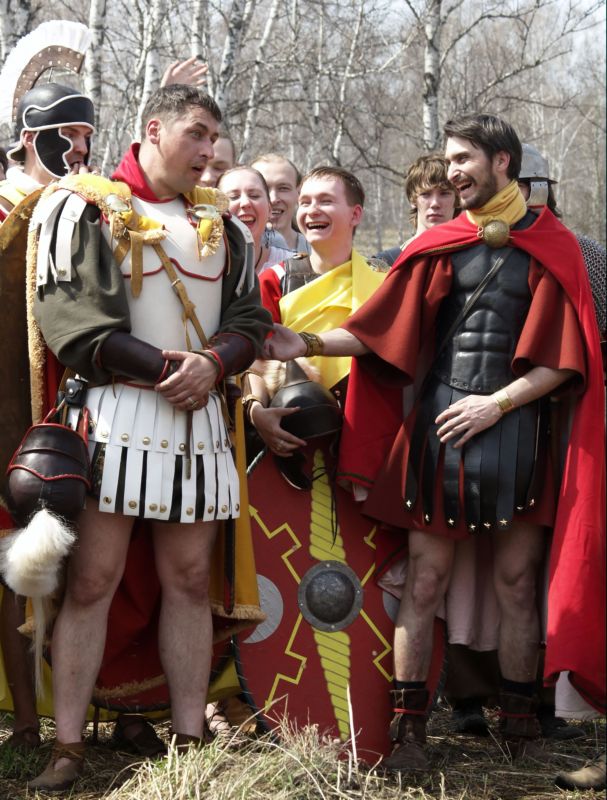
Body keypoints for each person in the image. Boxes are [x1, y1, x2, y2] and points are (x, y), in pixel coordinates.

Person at [265, 113, 605, 772]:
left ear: (502, 162)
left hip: (519, 434)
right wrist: (301, 341)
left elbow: (565, 361)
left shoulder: (554, 245)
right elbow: (377, 332)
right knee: (424, 583)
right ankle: (409, 732)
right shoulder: (441, 244)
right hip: (439, 434)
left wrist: (496, 404)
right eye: (448, 162)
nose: (452, 173)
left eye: (463, 160)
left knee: (515, 584)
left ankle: (519, 729)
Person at [25, 84, 272, 791]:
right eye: (196, 134)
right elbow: (73, 326)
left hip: (198, 426)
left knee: (190, 582)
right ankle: (67, 747)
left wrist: (214, 364)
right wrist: (173, 369)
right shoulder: (85, 208)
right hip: (116, 417)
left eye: (214, 138)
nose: (209, 150)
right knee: (92, 581)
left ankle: (191, 741)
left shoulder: (224, 226)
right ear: (154, 129)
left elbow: (249, 320)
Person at [0, 82, 95, 755]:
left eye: (87, 134)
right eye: (69, 134)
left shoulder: (92, 207)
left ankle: (96, 708)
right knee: (12, 558)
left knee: (85, 561)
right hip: (7, 405)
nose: (81, 147)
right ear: (32, 138)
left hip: (76, 404)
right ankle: (26, 722)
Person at [245, 166, 386, 459]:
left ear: (355, 214)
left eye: (325, 201)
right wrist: (256, 410)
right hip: (297, 428)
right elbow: (255, 360)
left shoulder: (385, 282)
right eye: (305, 202)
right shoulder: (275, 280)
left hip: (371, 429)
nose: (312, 210)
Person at [375, 154, 458, 266]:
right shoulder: (386, 263)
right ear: (413, 200)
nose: (435, 203)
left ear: (457, 198)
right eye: (426, 194)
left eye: (444, 193)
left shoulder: (473, 259)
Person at [218, 165, 292, 275]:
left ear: (269, 209)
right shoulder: (201, 264)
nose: (245, 203)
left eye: (254, 196)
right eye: (233, 197)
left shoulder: (292, 266)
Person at [251, 153, 310, 253]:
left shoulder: (318, 250)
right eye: (264, 189)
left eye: (283, 188)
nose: (273, 199)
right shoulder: (232, 252)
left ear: (299, 193)